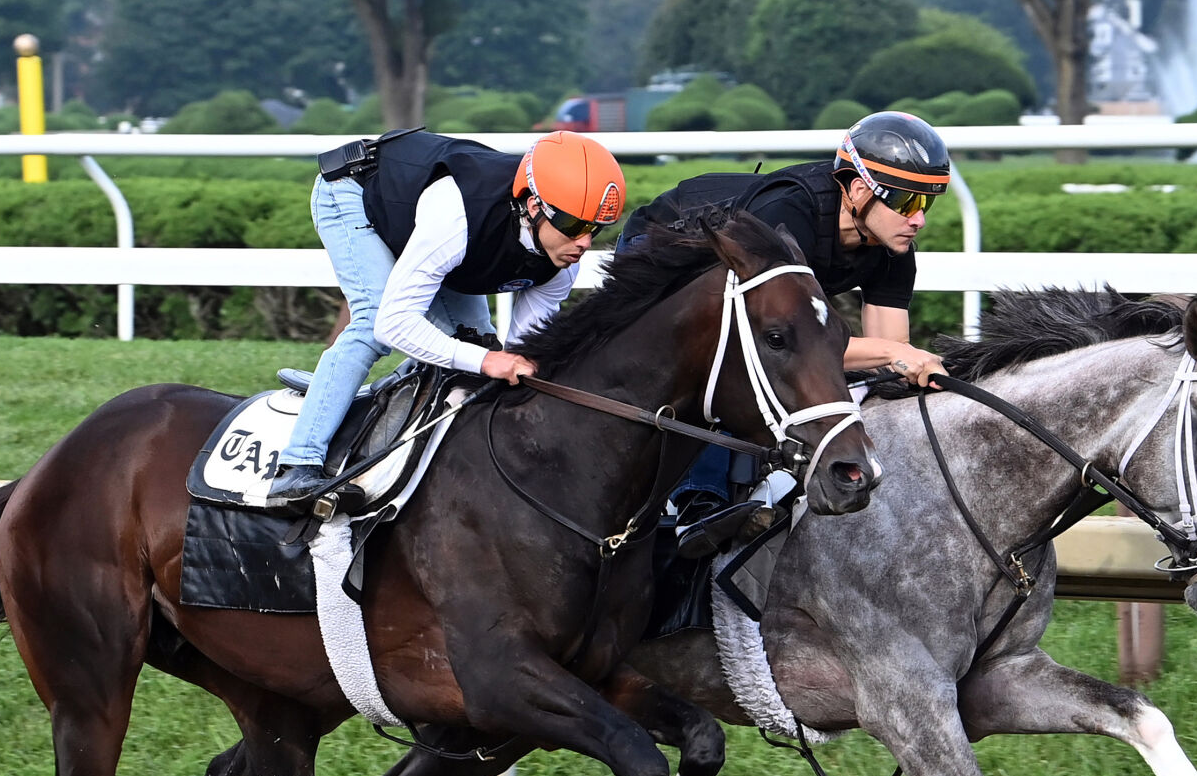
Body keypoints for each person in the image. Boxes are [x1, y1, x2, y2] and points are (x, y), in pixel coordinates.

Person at [617, 110, 952, 555]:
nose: (918, 221)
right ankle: (700, 505)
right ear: (857, 189)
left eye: (926, 204)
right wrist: (894, 354)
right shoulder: (788, 214)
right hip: (662, 245)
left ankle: (769, 486)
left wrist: (908, 367)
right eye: (906, 203)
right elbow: (800, 343)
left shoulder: (894, 249)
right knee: (730, 360)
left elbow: (888, 361)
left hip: (753, 290)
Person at [264, 128, 626, 507]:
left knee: (476, 349)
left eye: (595, 229)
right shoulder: (457, 218)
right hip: (354, 190)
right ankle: (297, 466)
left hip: (426, 221)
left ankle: (387, 405)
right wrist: (488, 360)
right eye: (573, 226)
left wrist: (498, 363)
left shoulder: (563, 261)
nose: (584, 243)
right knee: (375, 323)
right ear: (534, 206)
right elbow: (394, 322)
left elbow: (521, 354)